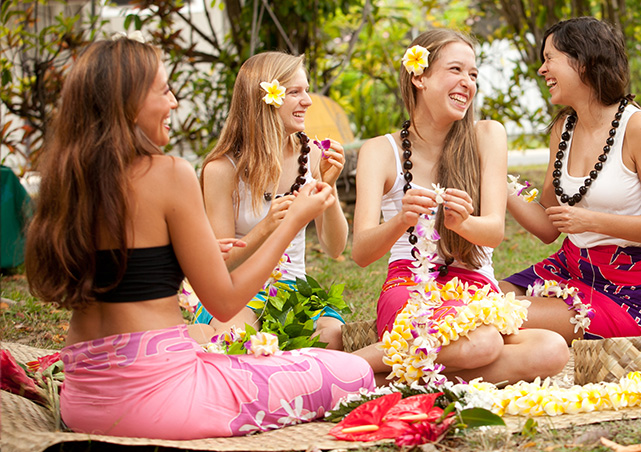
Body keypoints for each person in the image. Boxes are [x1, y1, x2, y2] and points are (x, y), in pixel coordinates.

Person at [24, 37, 373, 440]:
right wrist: (291, 222)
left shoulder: (66, 178)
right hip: (158, 401)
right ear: (129, 102)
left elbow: (137, 264)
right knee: (355, 371)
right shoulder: (171, 173)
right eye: (164, 90)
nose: (174, 103)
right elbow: (222, 301)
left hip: (82, 400)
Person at [351, 29, 568, 384]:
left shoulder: (486, 136)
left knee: (552, 349)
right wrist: (401, 221)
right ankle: (359, 368)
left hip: (476, 288)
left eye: (473, 74)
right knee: (480, 344)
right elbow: (361, 252)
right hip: (411, 287)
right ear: (419, 76)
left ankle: (380, 375)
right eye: (455, 70)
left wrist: (463, 222)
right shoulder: (379, 151)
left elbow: (493, 232)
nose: (467, 82)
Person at [499, 17, 641, 344]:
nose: (542, 70)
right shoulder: (564, 128)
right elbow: (548, 227)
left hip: (624, 294)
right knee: (484, 298)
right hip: (567, 268)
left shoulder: (638, 128)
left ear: (583, 62)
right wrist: (498, 184)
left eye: (549, 58)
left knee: (500, 315)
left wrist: (590, 221)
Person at [197, 52, 348, 349]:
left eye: (306, 90)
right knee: (241, 339)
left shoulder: (313, 155)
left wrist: (328, 186)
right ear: (264, 99)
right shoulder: (221, 170)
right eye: (295, 92)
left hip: (293, 289)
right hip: (240, 291)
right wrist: (265, 227)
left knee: (332, 336)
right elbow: (219, 266)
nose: (307, 100)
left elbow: (335, 248)